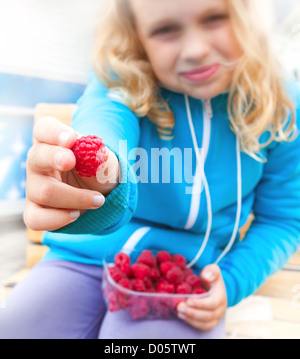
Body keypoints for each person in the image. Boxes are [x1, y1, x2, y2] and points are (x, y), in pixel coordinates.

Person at [1, 0, 299, 339]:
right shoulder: (121, 81)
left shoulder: (282, 104)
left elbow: (282, 219)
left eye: (215, 18)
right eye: (165, 30)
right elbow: (104, 126)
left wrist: (231, 281)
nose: (196, 49)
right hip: (80, 258)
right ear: (137, 35)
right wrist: (97, 172)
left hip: (186, 275)